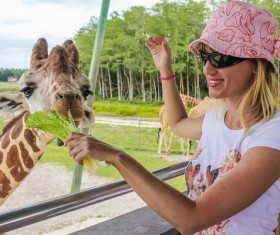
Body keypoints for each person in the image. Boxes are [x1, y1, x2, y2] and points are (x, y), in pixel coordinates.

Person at [64, 1, 280, 234]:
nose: (208, 69)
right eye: (205, 56)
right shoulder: (218, 117)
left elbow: (191, 218)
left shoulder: (271, 135)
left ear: (256, 65)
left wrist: (116, 157)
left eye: (221, 58)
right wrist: (165, 71)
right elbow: (177, 124)